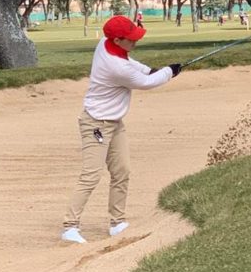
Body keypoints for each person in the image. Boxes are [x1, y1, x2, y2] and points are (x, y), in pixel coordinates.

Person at [61, 15, 182, 243]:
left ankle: (117, 222)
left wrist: (150, 69)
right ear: (117, 39)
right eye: (130, 39)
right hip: (96, 124)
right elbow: (145, 83)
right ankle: (70, 227)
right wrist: (168, 72)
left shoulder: (106, 45)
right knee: (91, 175)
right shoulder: (115, 67)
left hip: (114, 123)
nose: (135, 42)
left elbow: (131, 63)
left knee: (122, 171)